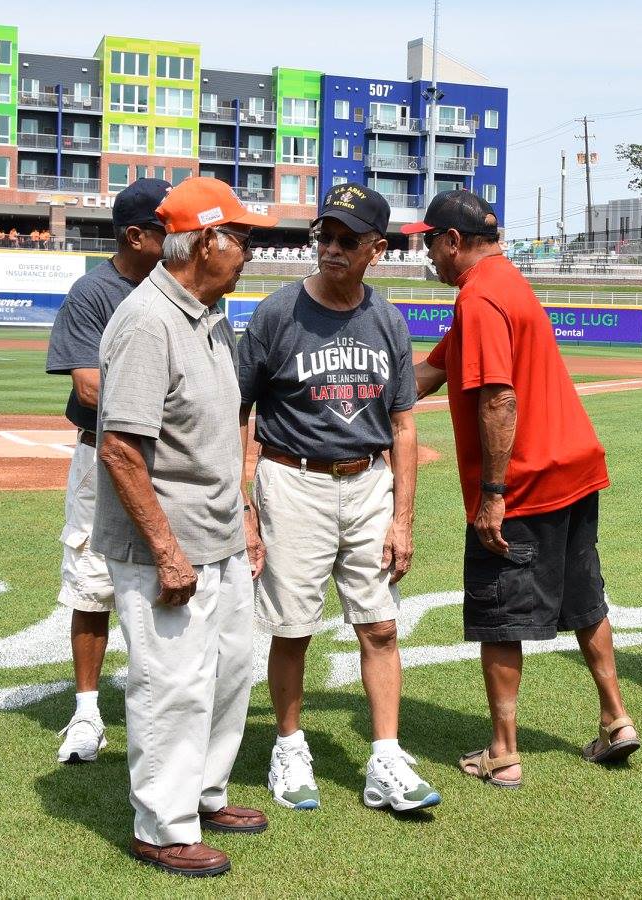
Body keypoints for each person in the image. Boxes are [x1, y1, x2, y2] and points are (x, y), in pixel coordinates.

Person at [408, 190, 640, 789]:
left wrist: (492, 492)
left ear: (454, 241)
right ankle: (617, 719)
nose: (426, 251)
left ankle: (503, 752)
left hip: (525, 483)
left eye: (430, 240)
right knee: (586, 601)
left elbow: (499, 398)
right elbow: (432, 372)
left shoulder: (480, 295)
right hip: (573, 468)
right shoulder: (504, 281)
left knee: (500, 615)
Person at [93, 177, 276, 876]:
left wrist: (245, 515)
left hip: (221, 532)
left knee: (229, 674)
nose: (250, 253)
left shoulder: (209, 314)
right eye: (243, 238)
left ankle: (203, 793)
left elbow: (221, 428)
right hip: (165, 547)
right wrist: (167, 553)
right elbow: (120, 449)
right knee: (172, 683)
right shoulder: (147, 321)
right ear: (206, 241)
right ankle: (162, 827)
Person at [237, 184, 440, 813]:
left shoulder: (387, 321)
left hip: (368, 482)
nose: (330, 248)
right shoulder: (276, 314)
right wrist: (245, 506)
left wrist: (402, 519)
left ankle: (385, 758)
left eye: (346, 240)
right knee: (293, 629)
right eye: (323, 236)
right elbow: (235, 410)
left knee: (379, 625)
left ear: (375, 250)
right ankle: (290, 747)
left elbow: (404, 425)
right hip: (292, 480)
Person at [45, 178, 171, 764]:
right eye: (166, 227)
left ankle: (165, 704)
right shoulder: (94, 292)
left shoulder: (182, 287)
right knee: (93, 584)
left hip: (171, 458)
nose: (180, 236)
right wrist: (170, 401)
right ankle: (88, 713)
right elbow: (90, 387)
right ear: (135, 235)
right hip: (102, 454)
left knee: (169, 574)